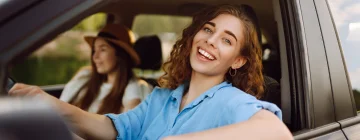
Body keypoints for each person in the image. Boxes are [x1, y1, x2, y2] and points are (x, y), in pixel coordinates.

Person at [9, 4, 292, 139]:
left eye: (227, 40)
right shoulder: (163, 97)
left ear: (238, 61)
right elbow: (116, 128)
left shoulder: (229, 101)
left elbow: (276, 132)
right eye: (208, 29)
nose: (210, 41)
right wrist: (51, 105)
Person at [59, 24, 153, 114]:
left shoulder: (135, 88)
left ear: (120, 54)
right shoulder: (85, 77)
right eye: (94, 50)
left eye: (103, 50)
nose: (95, 57)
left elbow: (130, 125)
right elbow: (59, 109)